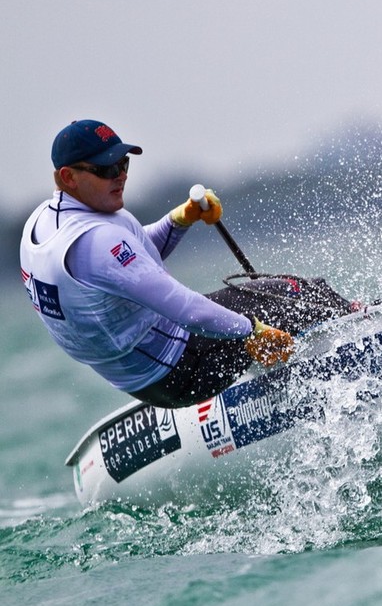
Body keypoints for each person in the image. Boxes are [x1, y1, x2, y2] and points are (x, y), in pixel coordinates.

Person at [19, 119, 297, 408]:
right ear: (68, 177)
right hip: (185, 369)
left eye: (123, 164)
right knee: (290, 291)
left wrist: (179, 220)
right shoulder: (96, 242)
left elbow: (129, 267)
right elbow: (187, 311)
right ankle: (346, 327)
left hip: (147, 382)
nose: (120, 176)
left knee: (259, 306)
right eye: (106, 169)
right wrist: (252, 331)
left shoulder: (42, 224)